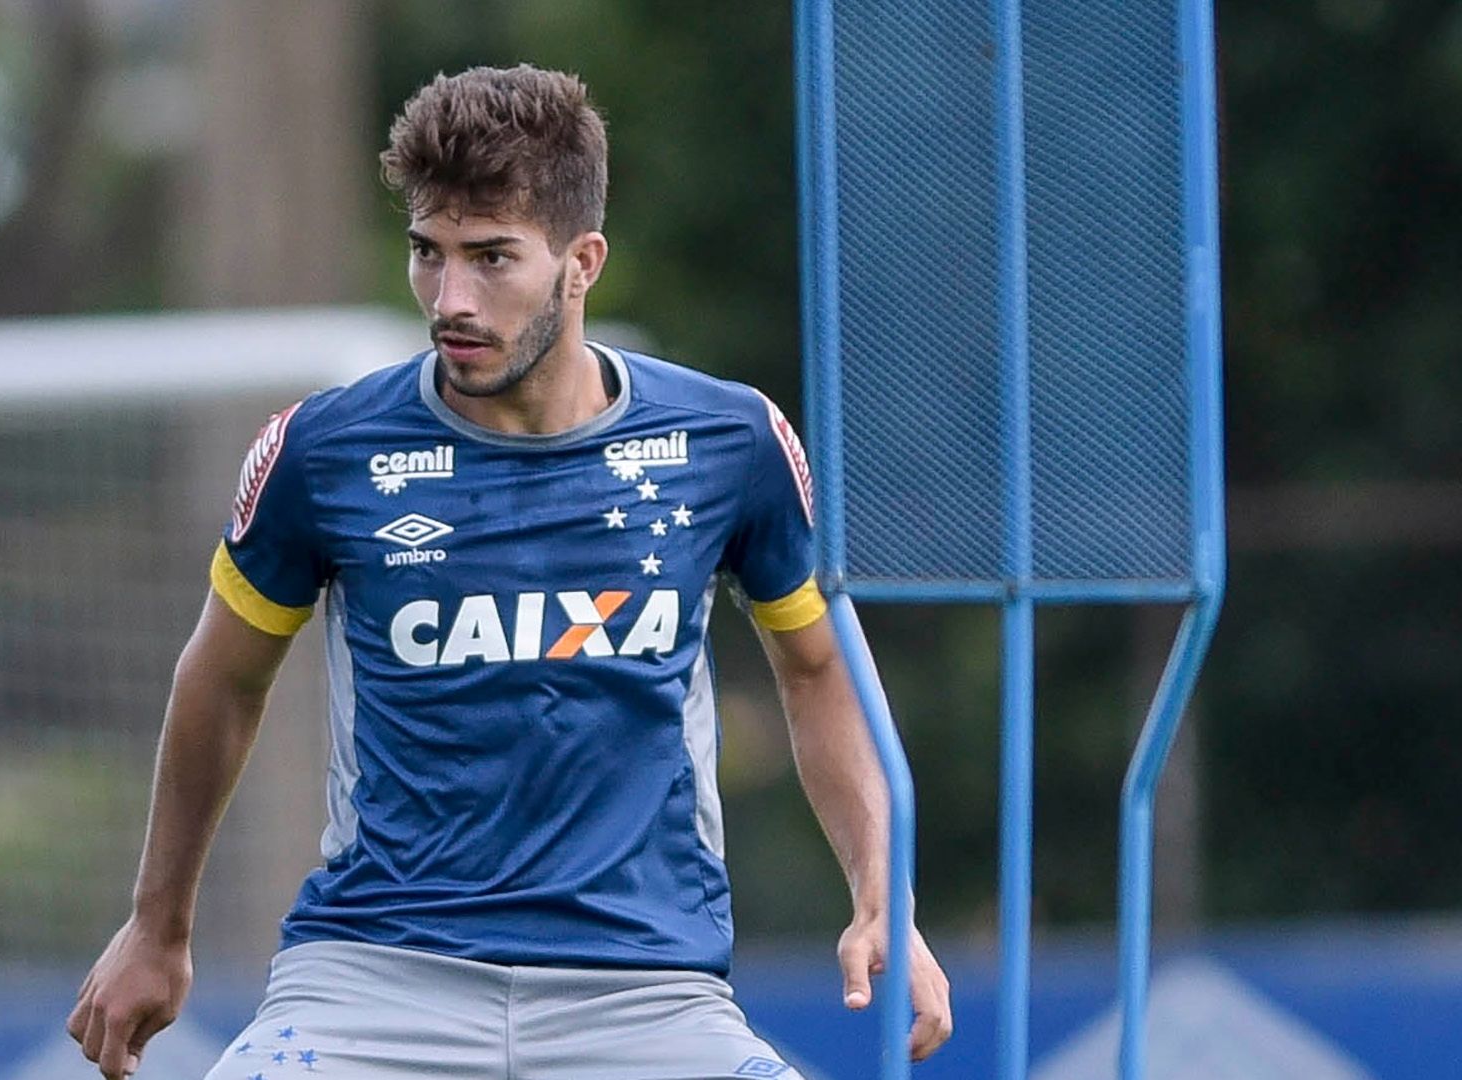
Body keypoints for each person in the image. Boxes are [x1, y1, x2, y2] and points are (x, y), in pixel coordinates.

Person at [67, 64, 952, 1080]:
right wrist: (157, 925)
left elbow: (816, 670)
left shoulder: (732, 440)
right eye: (427, 253)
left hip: (647, 991)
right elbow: (221, 677)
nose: (451, 299)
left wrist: (887, 898)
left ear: (583, 262)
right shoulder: (322, 452)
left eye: (492, 258)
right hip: (372, 981)